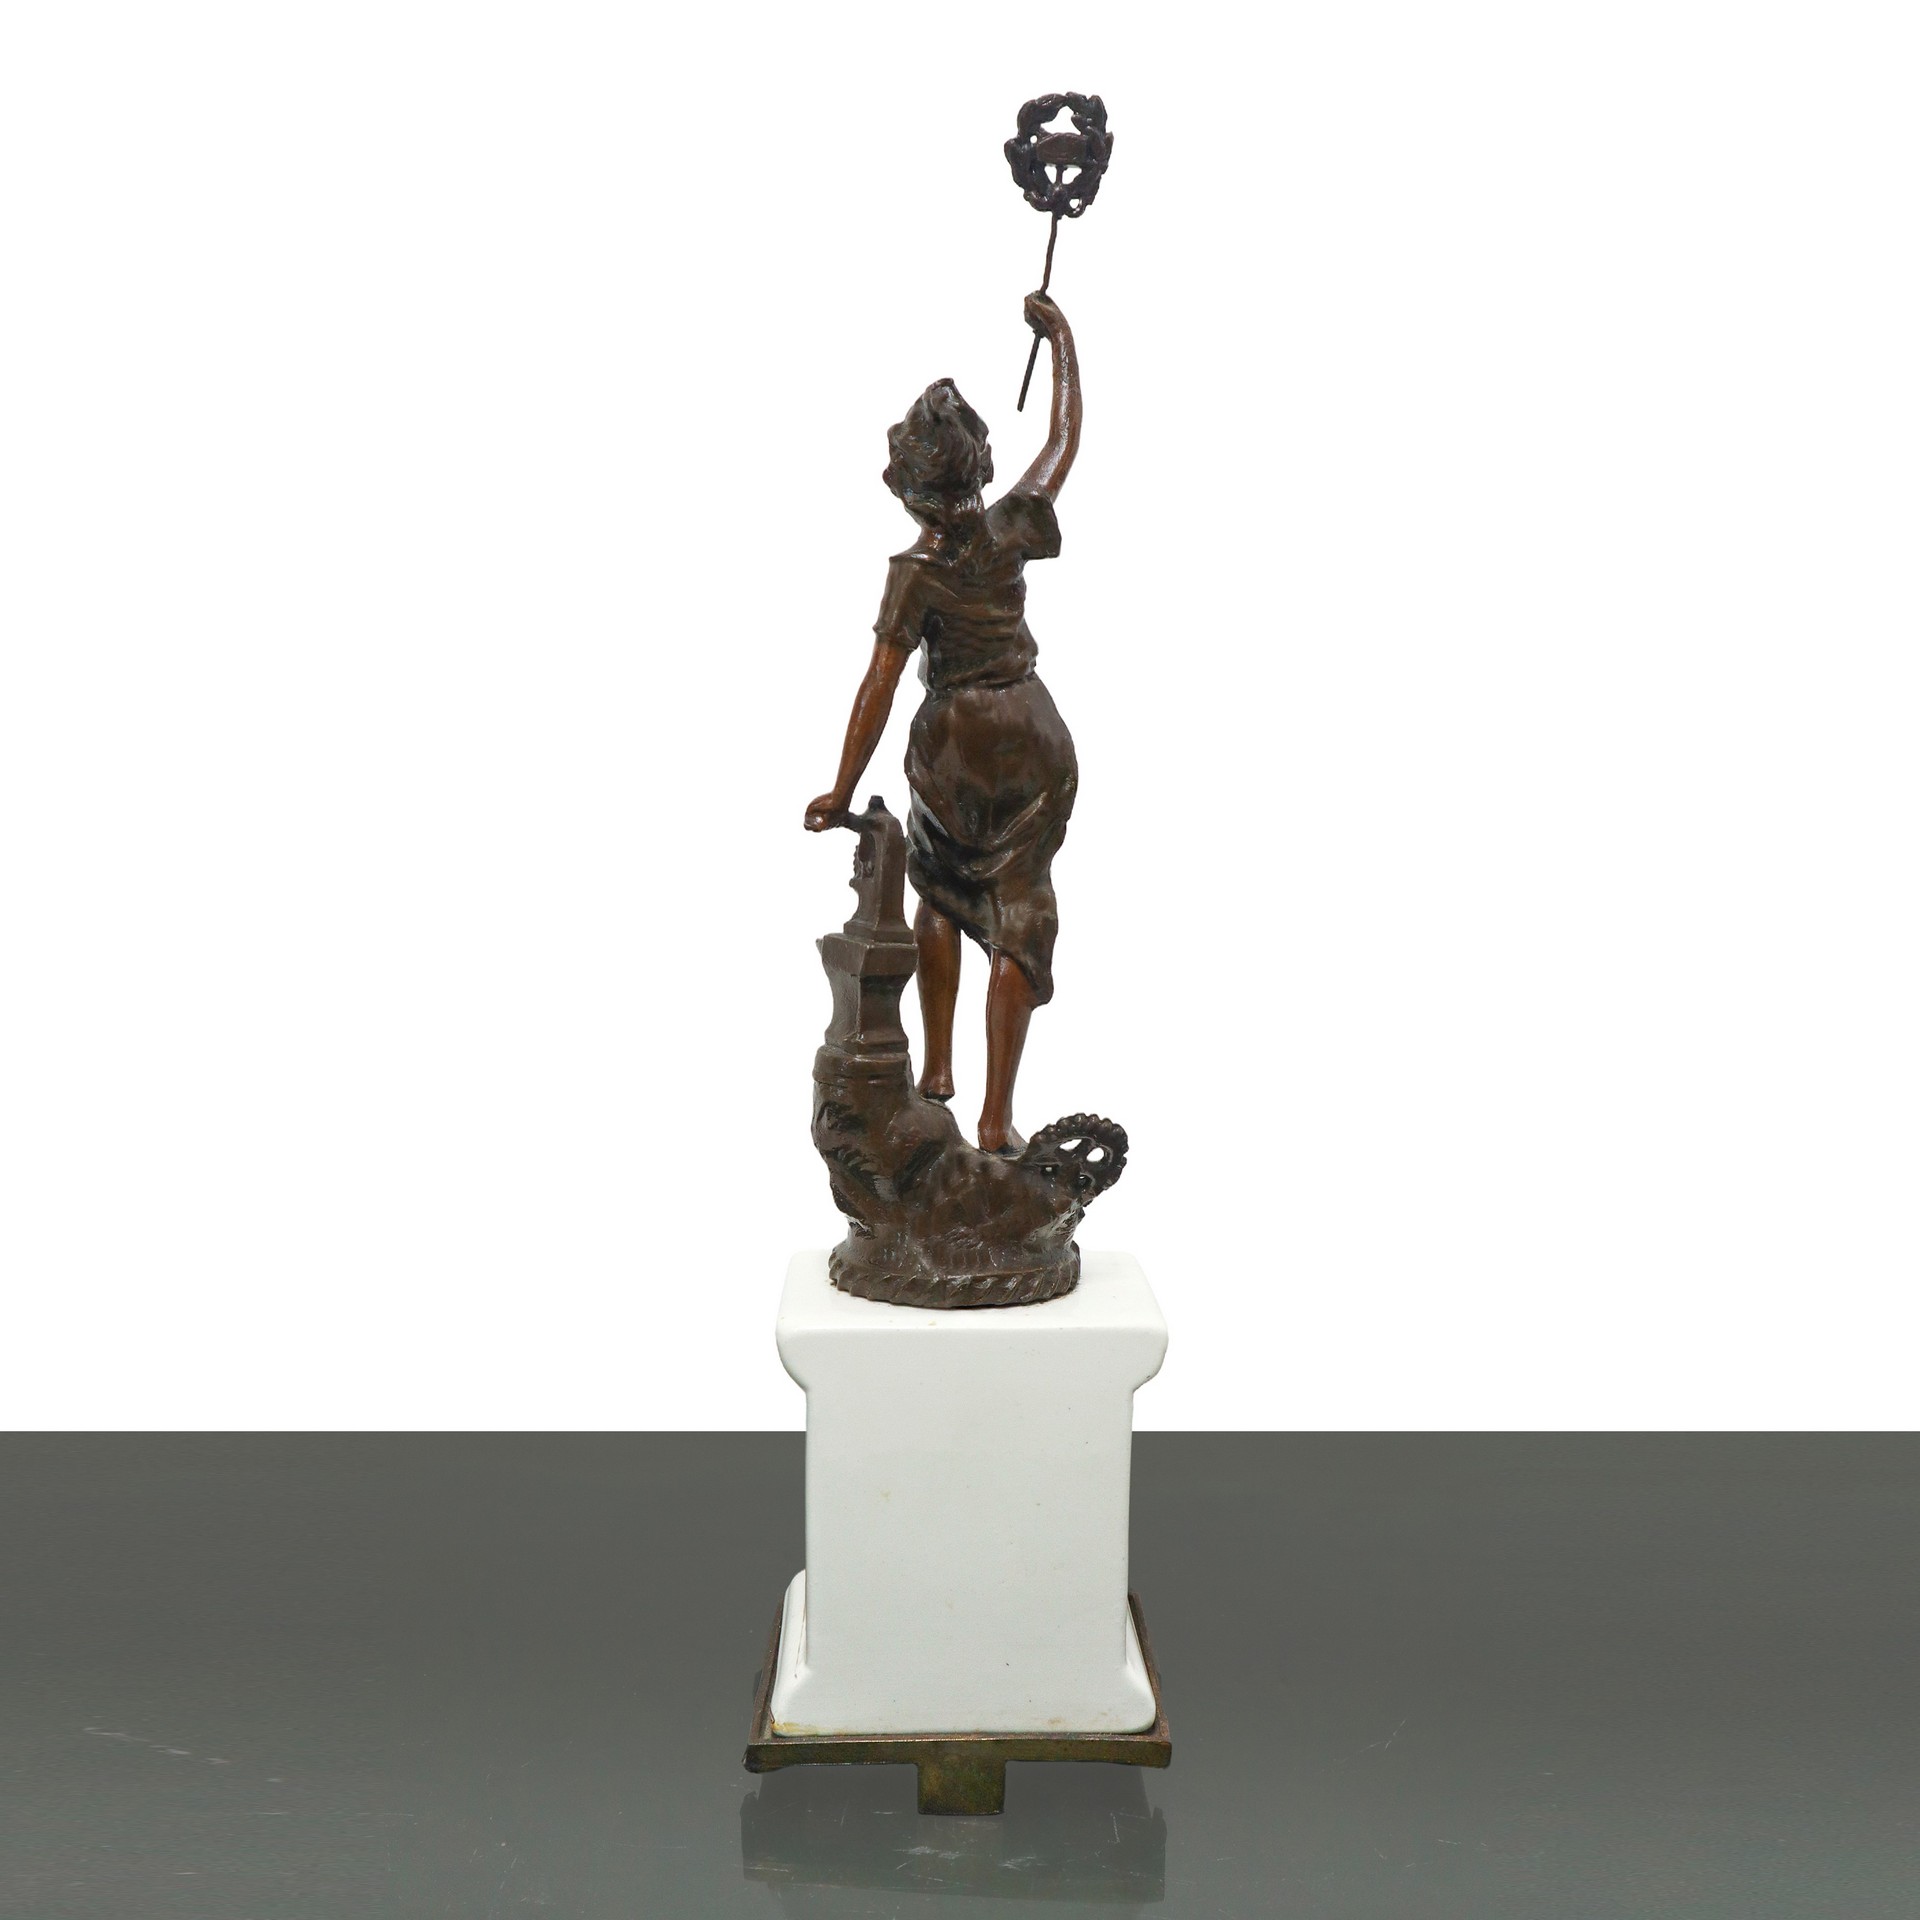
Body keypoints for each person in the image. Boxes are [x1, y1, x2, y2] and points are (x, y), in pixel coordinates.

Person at [805, 291, 1083, 1154]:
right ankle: (995, 1117)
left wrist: (841, 789)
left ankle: (937, 1069)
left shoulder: (915, 571)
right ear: (981, 470)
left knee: (938, 886)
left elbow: (879, 687)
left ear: (911, 492)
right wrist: (1061, 341)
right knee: (1019, 908)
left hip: (957, 749)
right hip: (1032, 738)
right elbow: (1064, 440)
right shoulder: (1011, 525)